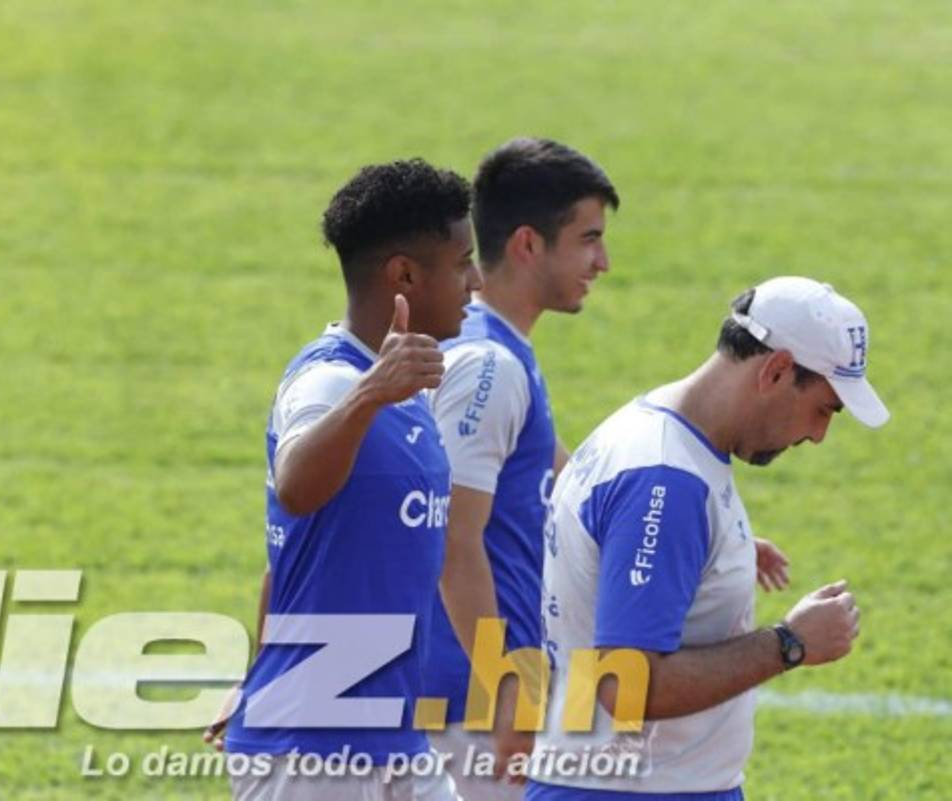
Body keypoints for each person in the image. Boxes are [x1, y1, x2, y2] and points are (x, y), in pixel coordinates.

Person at [526, 276, 887, 800]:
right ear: (777, 370)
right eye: (824, 409)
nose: (818, 435)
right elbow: (627, 684)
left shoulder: (659, 429)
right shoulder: (665, 479)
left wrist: (714, 553)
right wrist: (790, 643)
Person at [220, 158, 483, 801]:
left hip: (393, 741)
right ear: (404, 275)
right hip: (312, 754)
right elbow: (295, 488)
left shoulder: (403, 387)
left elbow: (293, 555)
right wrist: (369, 395)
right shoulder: (330, 381)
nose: (476, 282)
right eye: (463, 263)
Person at [422, 138, 619, 801]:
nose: (603, 262)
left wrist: (705, 531)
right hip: (467, 705)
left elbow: (562, 475)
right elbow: (452, 539)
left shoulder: (498, 348)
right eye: (589, 239)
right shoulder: (489, 367)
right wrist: (505, 691)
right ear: (529, 244)